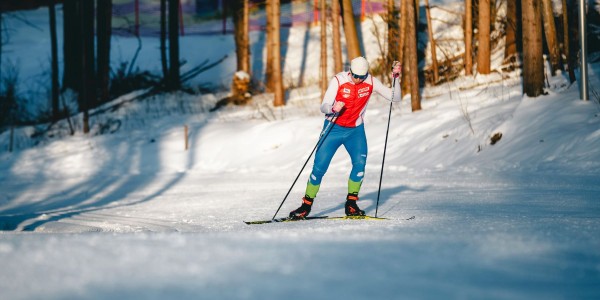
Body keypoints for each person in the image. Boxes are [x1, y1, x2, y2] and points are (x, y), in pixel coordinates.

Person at [289, 56, 402, 219]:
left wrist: (396, 79)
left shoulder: (371, 81)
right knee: (319, 168)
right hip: (332, 129)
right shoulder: (338, 80)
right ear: (350, 71)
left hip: (355, 131)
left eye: (361, 77)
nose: (357, 79)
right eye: (355, 76)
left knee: (360, 165)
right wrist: (333, 107)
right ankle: (305, 206)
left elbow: (395, 98)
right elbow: (324, 106)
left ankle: (351, 204)